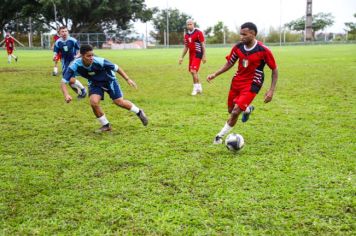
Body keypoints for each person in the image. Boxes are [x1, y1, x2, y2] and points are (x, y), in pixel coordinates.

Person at [207, 22, 278, 144]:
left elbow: (274, 69)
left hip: (253, 83)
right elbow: (230, 63)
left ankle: (219, 137)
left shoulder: (263, 50)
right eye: (240, 34)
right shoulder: (238, 47)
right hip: (237, 81)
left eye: (244, 34)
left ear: (253, 34)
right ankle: (247, 109)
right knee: (230, 110)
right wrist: (215, 74)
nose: (241, 37)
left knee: (235, 112)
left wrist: (271, 90)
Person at [61, 44, 148, 132]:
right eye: (88, 56)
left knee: (119, 102)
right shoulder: (75, 65)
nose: (91, 57)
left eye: (92, 55)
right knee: (93, 102)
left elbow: (117, 68)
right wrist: (66, 94)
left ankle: (139, 112)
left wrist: (128, 79)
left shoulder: (99, 61)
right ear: (82, 56)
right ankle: (106, 125)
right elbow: (64, 81)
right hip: (94, 83)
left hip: (109, 81)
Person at [54, 26, 86, 98]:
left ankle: (83, 91)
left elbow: (80, 50)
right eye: (62, 31)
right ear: (59, 33)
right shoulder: (58, 42)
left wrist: (77, 56)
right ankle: (81, 93)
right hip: (64, 63)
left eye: (66, 31)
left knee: (68, 79)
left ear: (68, 32)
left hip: (73, 62)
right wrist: (55, 56)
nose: (64, 33)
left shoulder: (73, 40)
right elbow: (56, 52)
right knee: (69, 81)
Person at [179, 19, 206, 96]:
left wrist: (204, 55)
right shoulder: (186, 35)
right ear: (186, 25)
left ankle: (195, 89)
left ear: (193, 24)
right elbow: (186, 47)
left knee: (193, 71)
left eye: (191, 24)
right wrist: (181, 57)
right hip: (191, 55)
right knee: (193, 72)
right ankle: (199, 87)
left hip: (198, 54)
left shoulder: (198, 33)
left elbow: (202, 45)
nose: (189, 26)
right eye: (188, 24)